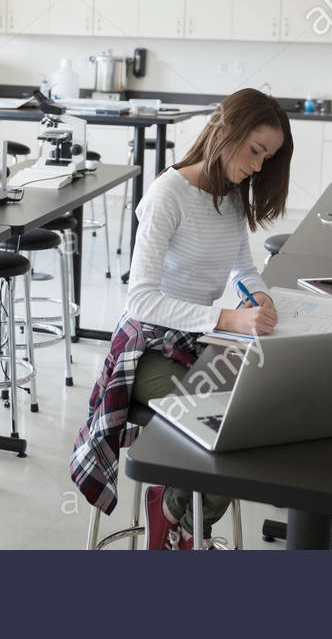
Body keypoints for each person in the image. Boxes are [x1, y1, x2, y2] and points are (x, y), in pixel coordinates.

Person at [71, 88, 293, 549]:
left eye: (266, 158)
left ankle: (173, 510)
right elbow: (141, 300)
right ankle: (187, 525)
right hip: (147, 348)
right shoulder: (168, 195)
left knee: (256, 417)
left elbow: (243, 268)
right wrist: (229, 319)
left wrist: (260, 298)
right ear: (225, 130)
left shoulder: (230, 197)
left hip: (199, 340)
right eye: (254, 151)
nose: (257, 167)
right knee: (222, 426)